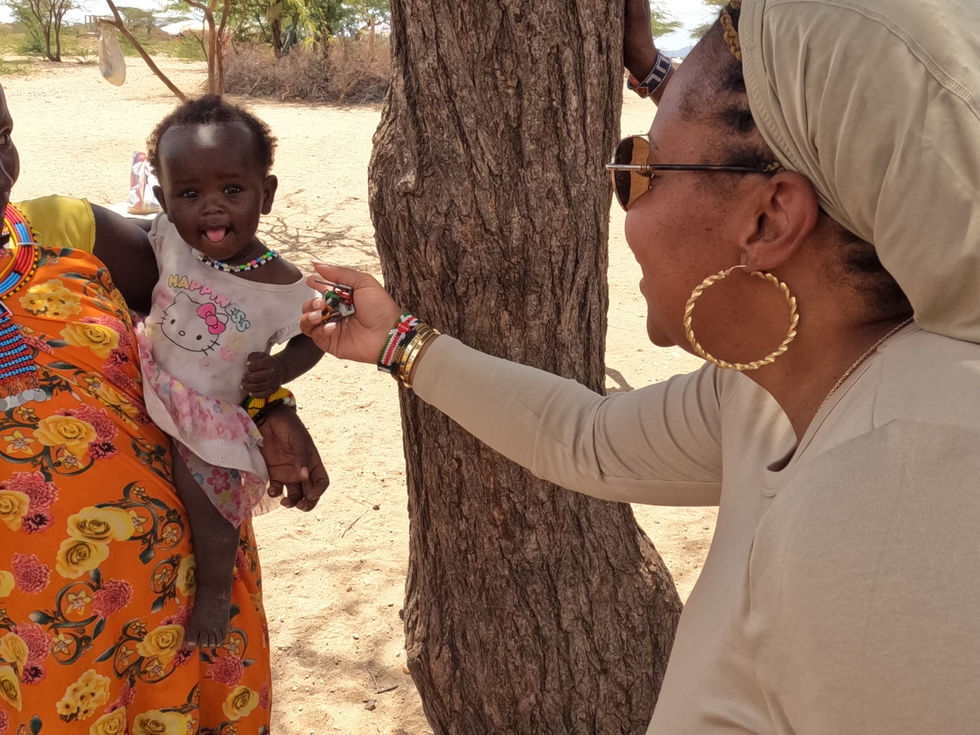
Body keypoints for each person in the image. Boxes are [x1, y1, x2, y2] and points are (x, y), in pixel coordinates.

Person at [299, 0, 980, 731]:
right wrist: (396, 340)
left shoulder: (898, 505)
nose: (623, 195)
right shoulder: (772, 387)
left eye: (640, 168)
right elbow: (585, 437)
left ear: (768, 220)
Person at [0, 81, 327, 733]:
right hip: (44, 664)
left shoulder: (63, 232)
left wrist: (273, 408)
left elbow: (210, 309)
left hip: (187, 632)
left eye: (1, 136)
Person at [136, 96, 323, 649]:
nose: (212, 209)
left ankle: (216, 590)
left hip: (211, 414)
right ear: (163, 201)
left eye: (232, 191)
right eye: (189, 194)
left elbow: (315, 338)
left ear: (265, 194)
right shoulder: (168, 239)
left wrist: (282, 368)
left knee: (208, 503)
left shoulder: (285, 285)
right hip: (148, 378)